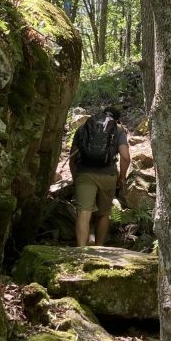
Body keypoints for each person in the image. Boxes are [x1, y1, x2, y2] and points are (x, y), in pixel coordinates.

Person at [69, 106, 130, 247]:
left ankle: (81, 251)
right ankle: (99, 248)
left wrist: (75, 177)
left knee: (83, 212)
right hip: (108, 175)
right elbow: (125, 157)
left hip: (85, 174)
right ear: (117, 119)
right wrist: (121, 177)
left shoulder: (84, 128)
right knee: (103, 213)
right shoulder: (118, 130)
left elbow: (72, 157)